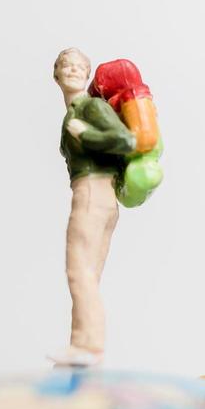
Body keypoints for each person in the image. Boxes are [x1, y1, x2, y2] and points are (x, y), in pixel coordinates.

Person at [53, 48, 135, 366]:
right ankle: (83, 345)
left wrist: (86, 134)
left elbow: (125, 140)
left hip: (92, 193)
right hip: (100, 196)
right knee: (88, 275)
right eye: (65, 66)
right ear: (55, 74)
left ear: (87, 75)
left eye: (79, 67)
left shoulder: (89, 108)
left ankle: (88, 346)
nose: (72, 70)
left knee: (79, 272)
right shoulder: (74, 111)